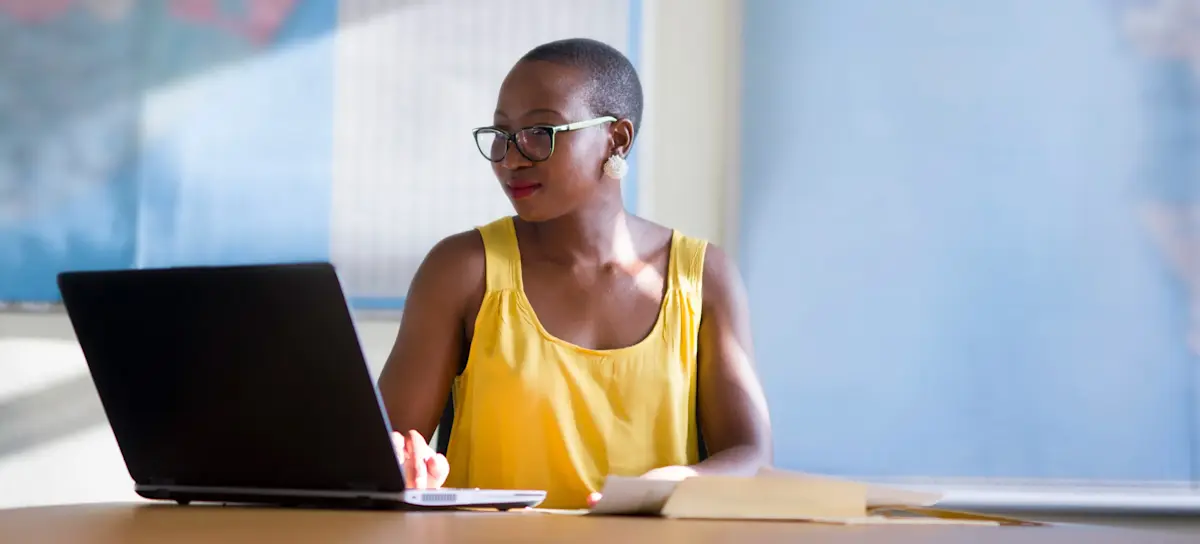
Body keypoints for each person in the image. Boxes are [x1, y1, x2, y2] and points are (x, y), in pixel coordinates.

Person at [377, 37, 772, 510]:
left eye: (541, 131)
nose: (511, 158)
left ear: (617, 138)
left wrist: (685, 480)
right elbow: (384, 451)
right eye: (501, 134)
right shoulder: (463, 269)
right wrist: (407, 463)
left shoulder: (703, 277)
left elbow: (751, 456)